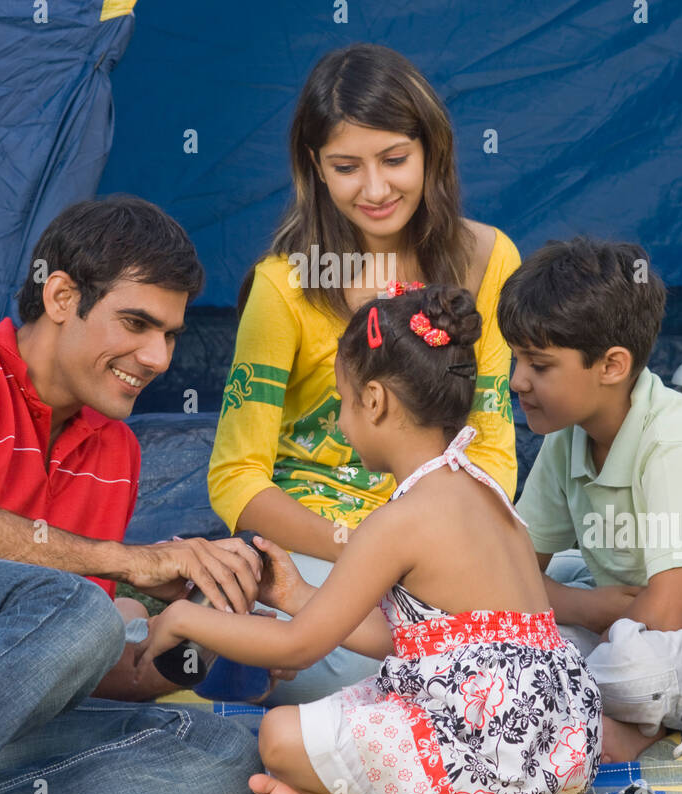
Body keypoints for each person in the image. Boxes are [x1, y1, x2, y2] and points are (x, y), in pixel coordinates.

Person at [140, 284, 601, 794]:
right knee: (362, 703)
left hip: (495, 757)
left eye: (342, 401)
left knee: (280, 737)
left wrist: (183, 618)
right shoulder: (488, 496)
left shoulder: (399, 520)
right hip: (562, 757)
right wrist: (297, 596)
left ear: (376, 401)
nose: (339, 423)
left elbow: (298, 645)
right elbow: (410, 639)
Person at [0, 195, 263, 794]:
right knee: (80, 608)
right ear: (62, 296)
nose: (157, 357)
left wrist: (209, 635)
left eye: (170, 334)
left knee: (218, 753)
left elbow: (74, 663)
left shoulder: (115, 448)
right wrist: (123, 560)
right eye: (136, 322)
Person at [208, 43, 521, 705]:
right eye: (346, 167)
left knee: (562, 612)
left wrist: (432, 553)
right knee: (370, 661)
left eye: (394, 159)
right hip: (323, 550)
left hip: (442, 544)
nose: (374, 189)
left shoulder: (489, 260)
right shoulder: (283, 285)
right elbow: (236, 477)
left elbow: (490, 443)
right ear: (314, 169)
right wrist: (363, 556)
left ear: (431, 151)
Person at [499, 237, 682, 764]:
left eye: (539, 365)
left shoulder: (678, 440)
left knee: (635, 668)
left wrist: (569, 622)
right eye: (515, 360)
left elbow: (670, 612)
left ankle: (579, 706)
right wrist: (585, 605)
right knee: (507, 632)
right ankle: (590, 709)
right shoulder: (566, 438)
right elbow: (511, 574)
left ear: (612, 365)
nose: (517, 382)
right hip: (627, 620)